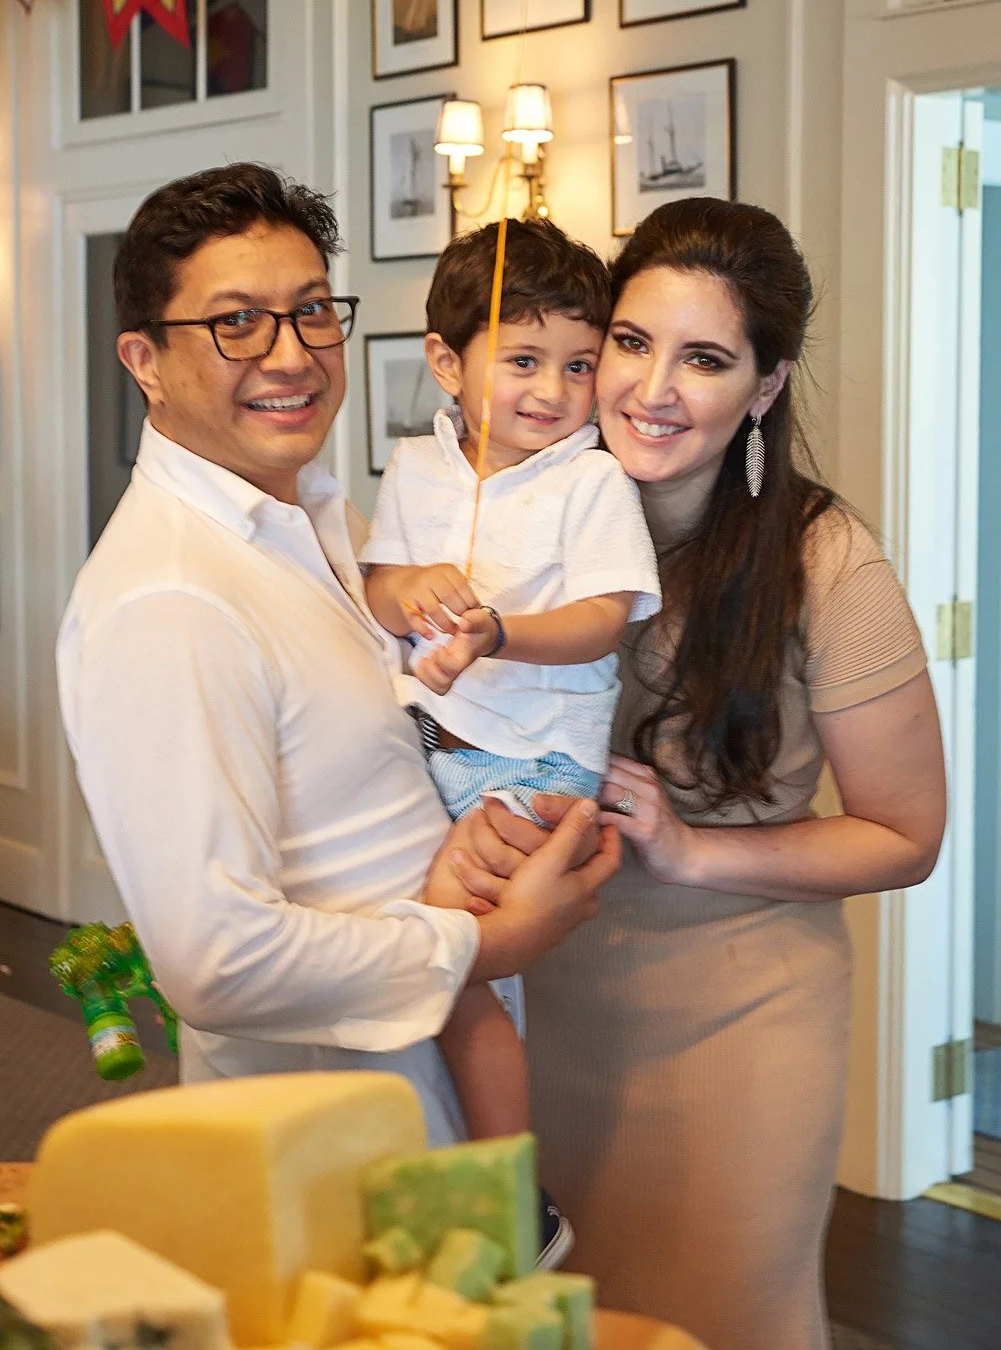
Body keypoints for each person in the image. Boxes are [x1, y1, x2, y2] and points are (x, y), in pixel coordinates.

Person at [454, 198, 946, 1350]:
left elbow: (903, 836)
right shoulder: (517, 523)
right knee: (557, 1320)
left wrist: (689, 848)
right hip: (542, 998)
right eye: (630, 342)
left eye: (705, 359)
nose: (650, 389)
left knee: (723, 1317)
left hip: (739, 1009)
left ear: (762, 388)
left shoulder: (825, 564)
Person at [55, 163, 619, 1162]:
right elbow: (213, 960)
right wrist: (488, 945)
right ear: (143, 358)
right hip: (318, 1119)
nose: (293, 354)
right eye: (237, 322)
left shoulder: (316, 514)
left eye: (312, 310)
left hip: (426, 1080)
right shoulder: (167, 598)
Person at [361, 219, 660, 1151]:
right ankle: (417, 1152)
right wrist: (408, 590)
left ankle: (507, 1191)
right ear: (446, 363)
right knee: (396, 951)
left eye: (578, 366)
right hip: (424, 740)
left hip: (534, 761)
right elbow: (378, 590)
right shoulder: (416, 467)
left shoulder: (591, 483)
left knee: (450, 968)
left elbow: (605, 619)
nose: (553, 389)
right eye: (524, 359)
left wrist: (497, 633)